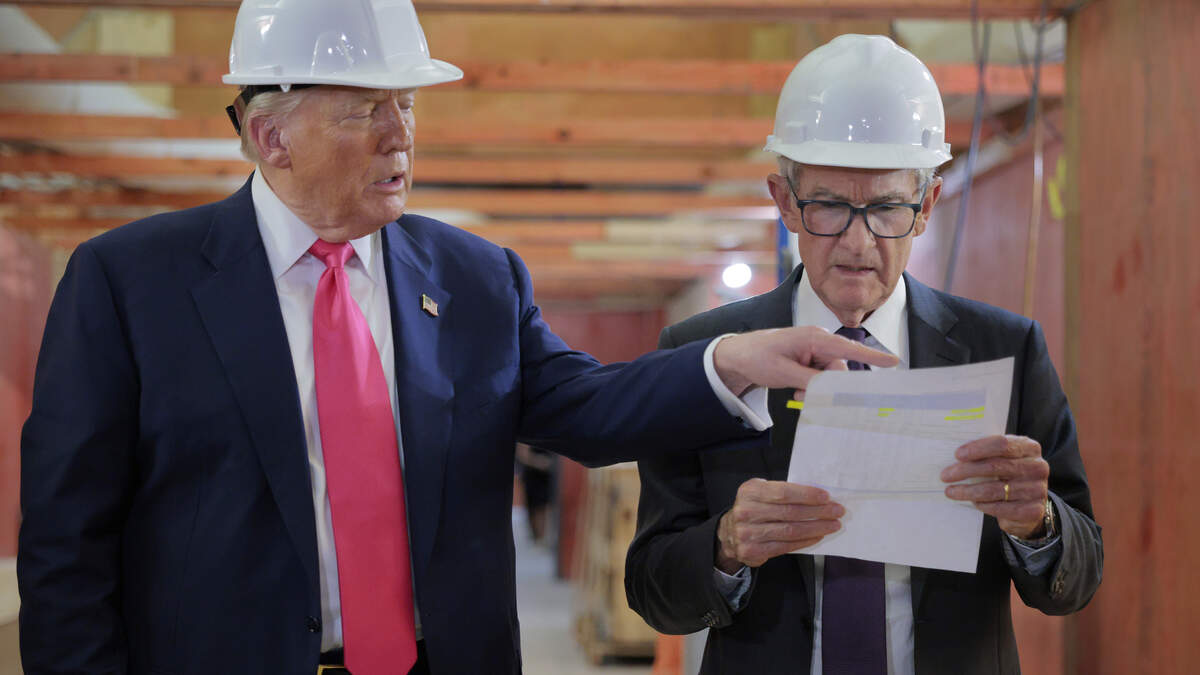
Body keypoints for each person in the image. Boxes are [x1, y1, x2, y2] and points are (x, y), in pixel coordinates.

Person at [15, 4, 897, 675]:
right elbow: (66, 544)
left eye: (406, 104)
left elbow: (583, 407)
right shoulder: (131, 284)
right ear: (269, 135)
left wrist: (726, 362)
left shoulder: (475, 278)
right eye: (367, 110)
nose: (402, 136)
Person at [624, 34, 1103, 675]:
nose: (857, 242)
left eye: (886, 209)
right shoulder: (707, 356)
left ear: (926, 206)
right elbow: (652, 589)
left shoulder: (1005, 350)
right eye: (828, 207)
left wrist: (1037, 524)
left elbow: (1078, 578)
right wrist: (727, 545)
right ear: (785, 201)